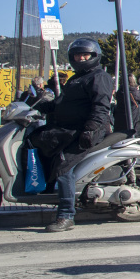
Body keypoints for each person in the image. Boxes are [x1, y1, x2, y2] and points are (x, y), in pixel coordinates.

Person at [28, 38, 113, 232]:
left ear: (94, 56)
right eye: (77, 55)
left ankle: (66, 215)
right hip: (67, 130)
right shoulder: (76, 78)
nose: (81, 57)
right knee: (37, 143)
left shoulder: (98, 77)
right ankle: (48, 192)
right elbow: (58, 104)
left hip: (85, 131)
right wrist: (35, 102)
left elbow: (101, 106)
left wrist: (90, 129)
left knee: (63, 165)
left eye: (85, 54)